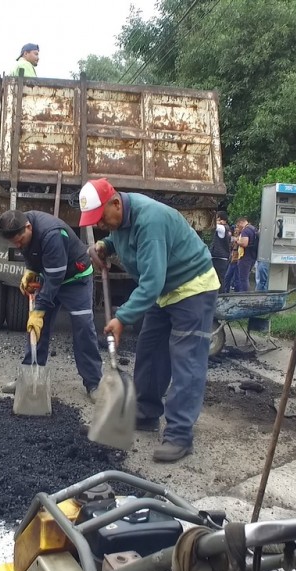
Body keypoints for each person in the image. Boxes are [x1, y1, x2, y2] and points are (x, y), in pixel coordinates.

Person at [80, 178, 219, 463]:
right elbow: (120, 236)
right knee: (150, 351)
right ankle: (146, 413)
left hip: (192, 287)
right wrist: (105, 245)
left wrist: (121, 318)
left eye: (101, 219)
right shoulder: (122, 219)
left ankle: (179, 435)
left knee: (186, 360)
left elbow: (152, 282)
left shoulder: (150, 221)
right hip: (167, 291)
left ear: (116, 203)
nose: (100, 225)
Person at [0, 209, 101, 397]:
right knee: (37, 328)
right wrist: (30, 270)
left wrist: (38, 311)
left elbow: (55, 279)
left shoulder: (52, 234)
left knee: (83, 327)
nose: (19, 245)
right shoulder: (21, 223)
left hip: (75, 279)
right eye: (15, 244)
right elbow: (33, 254)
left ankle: (93, 383)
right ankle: (29, 377)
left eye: (20, 241)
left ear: (28, 227)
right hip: (51, 275)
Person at [233, 217, 257, 292]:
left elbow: (244, 243)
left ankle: (244, 295)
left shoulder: (245, 230)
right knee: (245, 277)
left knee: (243, 278)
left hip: (245, 257)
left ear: (240, 222)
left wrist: (237, 241)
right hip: (252, 256)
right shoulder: (253, 229)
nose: (238, 227)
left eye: (238, 225)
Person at [209, 211, 231, 287]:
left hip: (219, 258)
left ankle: (221, 297)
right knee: (220, 280)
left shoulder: (222, 228)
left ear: (220, 219)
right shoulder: (227, 228)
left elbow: (211, 224)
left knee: (218, 281)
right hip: (221, 258)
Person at [220, 220, 243, 293]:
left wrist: (236, 240)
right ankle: (226, 292)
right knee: (228, 277)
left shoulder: (241, 236)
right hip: (233, 258)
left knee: (236, 278)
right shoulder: (234, 237)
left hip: (237, 258)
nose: (236, 229)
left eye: (237, 227)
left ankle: (236, 293)